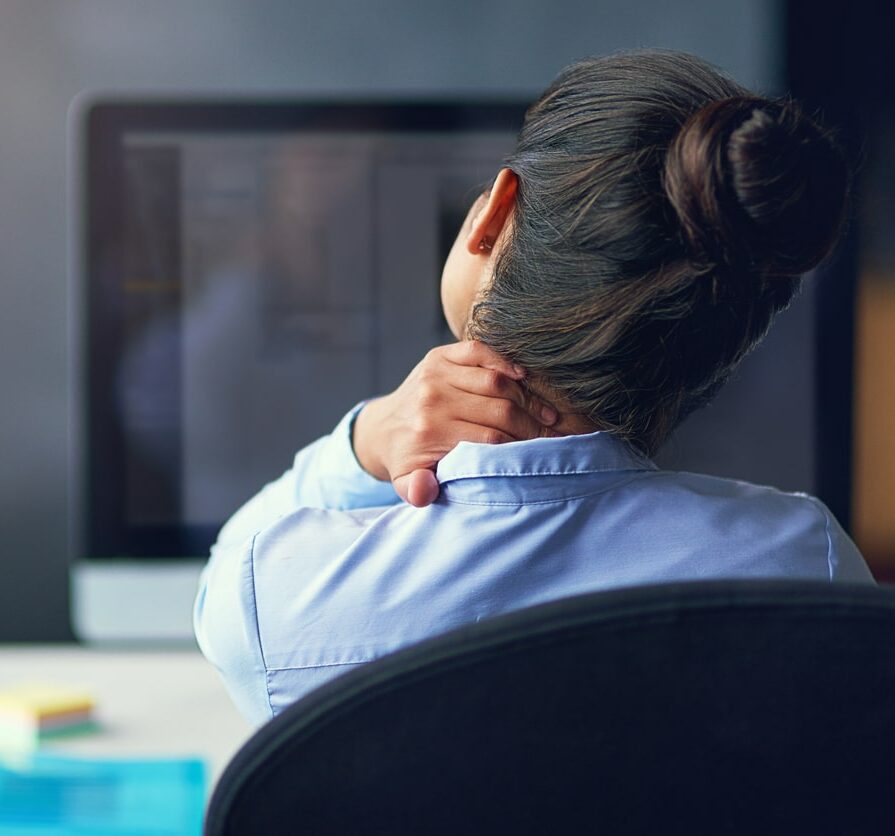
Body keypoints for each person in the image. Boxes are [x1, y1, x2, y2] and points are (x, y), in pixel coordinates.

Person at [194, 49, 874, 725]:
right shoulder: (806, 565)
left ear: (494, 213)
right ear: (727, 342)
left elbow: (227, 570)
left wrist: (363, 442)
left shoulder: (280, 600)